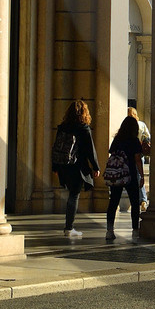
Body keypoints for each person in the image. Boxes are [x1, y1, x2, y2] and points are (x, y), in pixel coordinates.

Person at [53, 99, 99, 238]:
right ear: (84, 113)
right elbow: (90, 150)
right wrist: (95, 167)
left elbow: (55, 147)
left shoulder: (62, 127)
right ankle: (69, 228)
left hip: (63, 165)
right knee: (74, 195)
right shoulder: (84, 128)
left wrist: (55, 166)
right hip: (77, 166)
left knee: (72, 194)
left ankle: (69, 227)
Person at [104, 115, 148, 240]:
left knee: (113, 202)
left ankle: (109, 230)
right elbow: (137, 159)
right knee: (135, 203)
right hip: (131, 174)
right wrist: (142, 176)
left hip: (117, 174)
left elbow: (112, 154)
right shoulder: (134, 141)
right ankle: (135, 230)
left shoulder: (117, 139)